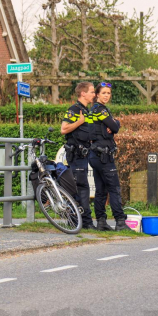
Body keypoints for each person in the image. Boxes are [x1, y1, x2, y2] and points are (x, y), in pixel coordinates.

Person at [89, 82, 132, 231]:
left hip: (95, 154)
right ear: (97, 95)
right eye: (104, 93)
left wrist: (114, 124)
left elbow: (110, 126)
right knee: (114, 188)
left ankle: (101, 222)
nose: (106, 95)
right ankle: (120, 222)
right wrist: (115, 124)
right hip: (103, 155)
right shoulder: (101, 110)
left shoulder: (93, 110)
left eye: (108, 93)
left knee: (101, 190)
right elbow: (114, 127)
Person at [61, 82, 96, 229]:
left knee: (83, 187)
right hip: (75, 155)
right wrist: (79, 122)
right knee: (81, 187)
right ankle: (83, 221)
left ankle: (79, 220)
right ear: (83, 93)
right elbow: (64, 129)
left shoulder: (85, 110)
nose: (94, 94)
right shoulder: (74, 110)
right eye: (92, 92)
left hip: (83, 154)